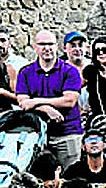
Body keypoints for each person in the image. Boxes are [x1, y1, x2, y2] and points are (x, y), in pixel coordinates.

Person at [16, 30, 85, 169]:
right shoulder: (25, 72)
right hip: (36, 136)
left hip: (67, 134)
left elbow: (69, 101)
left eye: (50, 44)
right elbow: (23, 103)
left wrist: (35, 102)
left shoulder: (70, 71)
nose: (47, 48)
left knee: (70, 177)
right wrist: (46, 109)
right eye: (42, 44)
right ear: (35, 46)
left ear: (57, 46)